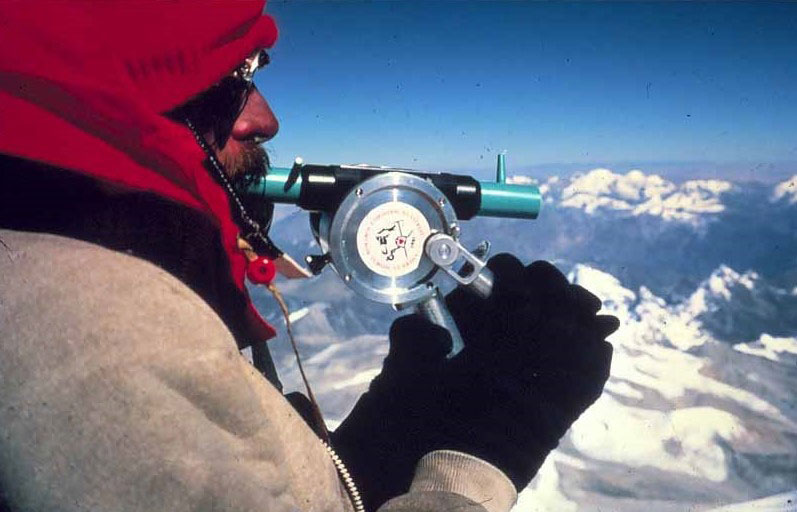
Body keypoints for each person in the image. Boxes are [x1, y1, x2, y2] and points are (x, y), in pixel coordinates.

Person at [0, 2, 619, 511]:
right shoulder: (106, 342)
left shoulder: (75, 286)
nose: (266, 119)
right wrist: (490, 449)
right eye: (229, 83)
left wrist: (387, 434)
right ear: (108, 101)